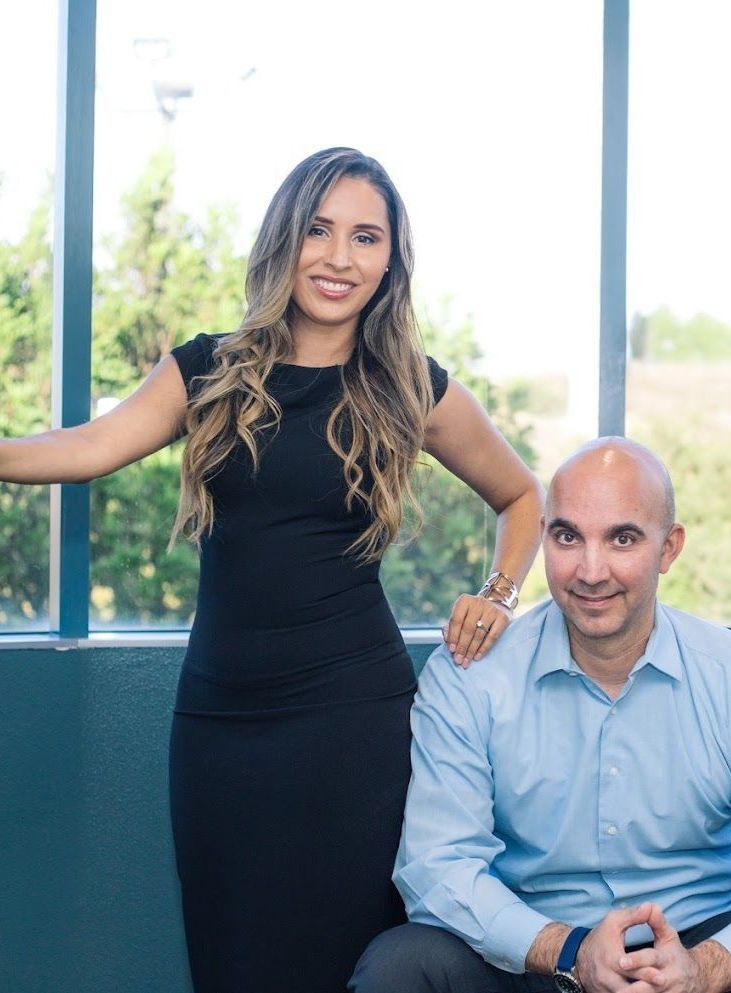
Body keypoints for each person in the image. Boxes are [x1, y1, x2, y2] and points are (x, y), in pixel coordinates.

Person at [0, 147, 544, 993]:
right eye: (320, 230)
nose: (339, 257)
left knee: (353, 964)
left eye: (366, 238)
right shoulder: (207, 369)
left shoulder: (410, 385)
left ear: (391, 259)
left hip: (353, 727)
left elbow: (522, 497)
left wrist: (499, 592)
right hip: (221, 723)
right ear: (285, 238)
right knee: (233, 962)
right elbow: (86, 449)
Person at [351, 437, 731, 993]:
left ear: (669, 548)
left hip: (700, 947)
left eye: (622, 539)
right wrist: (569, 950)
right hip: (536, 951)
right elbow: (438, 866)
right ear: (544, 537)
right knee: (402, 965)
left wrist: (705, 968)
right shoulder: (471, 676)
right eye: (568, 537)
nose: (591, 571)